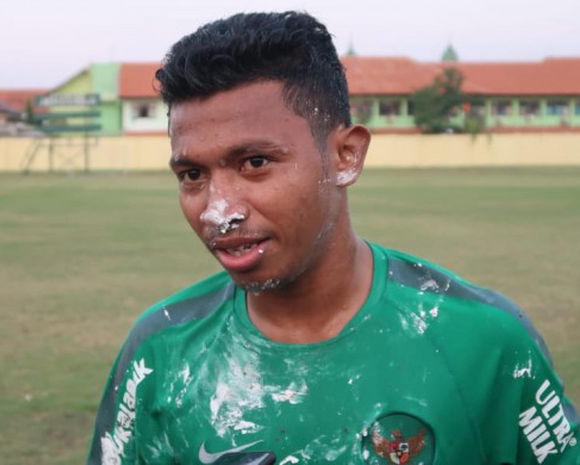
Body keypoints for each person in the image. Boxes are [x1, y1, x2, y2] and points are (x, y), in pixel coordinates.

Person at [87, 11, 578, 465]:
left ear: (346, 156)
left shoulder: (485, 342)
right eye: (192, 174)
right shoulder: (159, 351)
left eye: (255, 163)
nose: (219, 212)